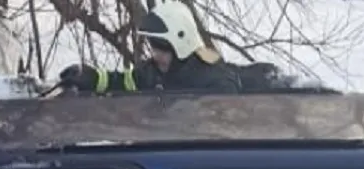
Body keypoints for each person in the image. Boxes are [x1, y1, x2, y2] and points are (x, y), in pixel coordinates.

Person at [58, 1, 241, 94]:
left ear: (181, 44)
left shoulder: (215, 79)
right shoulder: (151, 73)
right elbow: (123, 81)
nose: (156, 54)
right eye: (153, 46)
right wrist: (91, 77)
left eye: (162, 47)